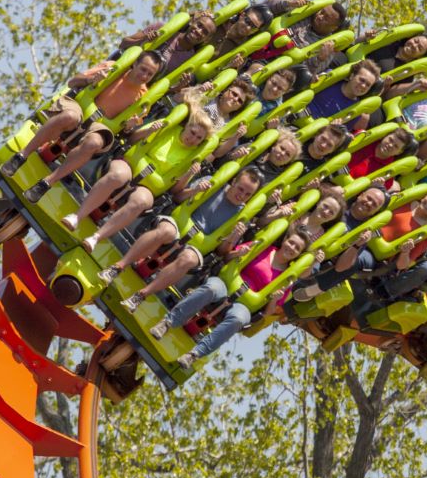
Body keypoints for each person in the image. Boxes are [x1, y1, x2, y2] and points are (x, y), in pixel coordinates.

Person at [60, 103, 230, 252]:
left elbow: (175, 190)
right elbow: (133, 138)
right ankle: (77, 216)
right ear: (186, 127)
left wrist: (189, 173)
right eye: (192, 132)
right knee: (117, 176)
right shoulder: (168, 129)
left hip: (150, 185)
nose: (193, 139)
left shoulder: (193, 156)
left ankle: (96, 237)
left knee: (142, 201)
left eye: (198, 138)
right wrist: (149, 130)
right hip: (131, 166)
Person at [1, 51, 164, 203]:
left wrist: (129, 126)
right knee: (69, 117)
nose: (144, 76)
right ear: (134, 64)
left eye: (150, 74)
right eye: (143, 69)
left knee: (95, 142)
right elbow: (73, 81)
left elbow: (128, 134)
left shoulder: (144, 98)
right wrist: (90, 80)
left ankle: (46, 183)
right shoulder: (113, 68)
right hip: (80, 109)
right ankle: (21, 156)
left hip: (100, 126)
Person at [150, 229, 323, 368]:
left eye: (297, 248)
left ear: (298, 254)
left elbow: (268, 313)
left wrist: (273, 299)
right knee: (211, 288)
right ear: (285, 240)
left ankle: (194, 354)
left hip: (245, 304)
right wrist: (238, 254)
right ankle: (167, 323)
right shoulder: (263, 249)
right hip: (227, 284)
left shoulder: (287, 277)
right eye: (291, 242)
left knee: (238, 318)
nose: (291, 248)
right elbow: (228, 256)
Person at [97, 168, 264, 308]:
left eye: (247, 194)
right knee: (166, 231)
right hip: (179, 224)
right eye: (240, 189)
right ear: (234, 181)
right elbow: (177, 197)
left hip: (198, 245)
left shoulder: (242, 217)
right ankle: (118, 267)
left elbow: (222, 252)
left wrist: (233, 237)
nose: (241, 195)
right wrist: (196, 190)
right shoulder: (213, 182)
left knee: (189, 259)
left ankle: (141, 295)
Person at [292, 189, 427, 300]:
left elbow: (404, 265)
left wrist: (404, 252)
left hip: (376, 254)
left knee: (358, 259)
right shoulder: (406, 199)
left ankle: (316, 288)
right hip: (363, 226)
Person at [119, 10, 217, 86]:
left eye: (205, 32)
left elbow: (166, 89)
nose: (199, 31)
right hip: (122, 75)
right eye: (199, 25)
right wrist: (144, 40)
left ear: (206, 40)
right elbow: (123, 44)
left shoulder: (190, 60)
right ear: (192, 22)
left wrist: (178, 87)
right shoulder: (163, 29)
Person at [258, 0, 348, 74]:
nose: (320, 16)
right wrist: (288, 3)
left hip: (277, 69)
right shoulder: (303, 11)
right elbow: (265, 6)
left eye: (326, 18)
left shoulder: (328, 46)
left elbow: (307, 74)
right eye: (322, 12)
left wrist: (319, 59)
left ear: (333, 28)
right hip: (261, 41)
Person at [307, 59, 383, 122]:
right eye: (362, 80)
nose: (363, 86)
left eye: (368, 85)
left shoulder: (356, 110)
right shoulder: (330, 79)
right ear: (352, 76)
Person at [346, 126, 418, 185]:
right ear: (385, 136)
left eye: (396, 146)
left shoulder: (388, 172)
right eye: (390, 140)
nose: (390, 145)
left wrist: (375, 187)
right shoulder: (365, 139)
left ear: (399, 152)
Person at [356, 28, 427, 73]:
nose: (414, 45)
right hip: (354, 64)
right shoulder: (390, 41)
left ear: (420, 56)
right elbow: (357, 42)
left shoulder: (407, 71)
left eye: (419, 48)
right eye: (415, 40)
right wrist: (366, 37)